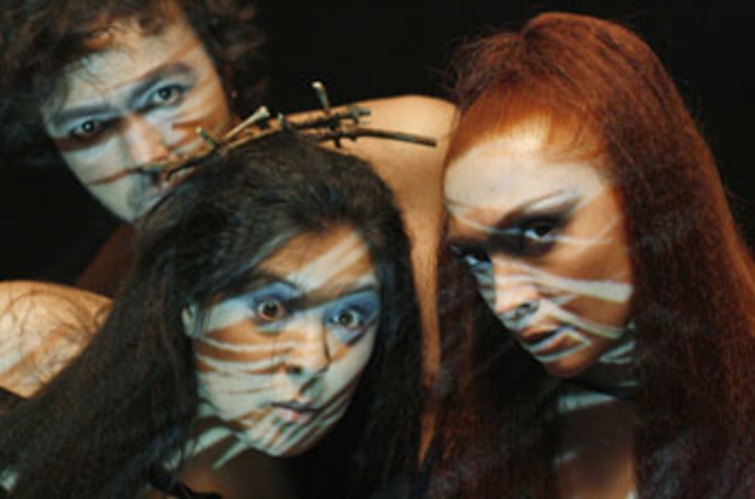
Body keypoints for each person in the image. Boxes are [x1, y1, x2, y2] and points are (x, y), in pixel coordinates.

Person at [0, 0, 453, 391]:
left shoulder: (410, 155)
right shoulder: (101, 304)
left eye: (165, 94)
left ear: (224, 69)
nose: (147, 154)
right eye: (90, 128)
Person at [432, 12, 755, 498]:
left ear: (650, 201)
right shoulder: (493, 426)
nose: (507, 301)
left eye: (540, 232)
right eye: (477, 257)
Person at [0, 131, 423, 498]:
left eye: (347, 318)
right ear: (189, 301)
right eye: (271, 310)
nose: (312, 360)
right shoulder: (26, 338)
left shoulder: (376, 473)